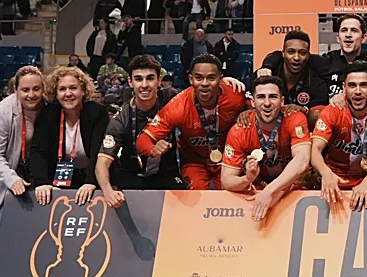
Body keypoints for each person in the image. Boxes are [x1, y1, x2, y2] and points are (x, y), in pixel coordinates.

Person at [136, 54, 247, 190]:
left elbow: (260, 108)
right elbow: (143, 139)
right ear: (191, 79)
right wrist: (152, 150)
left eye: (211, 78)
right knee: (195, 194)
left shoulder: (235, 95)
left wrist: (248, 111)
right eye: (199, 78)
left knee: (231, 194)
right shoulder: (178, 107)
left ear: (220, 79)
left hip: (228, 161)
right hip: (194, 162)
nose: (205, 83)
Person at [220, 76, 313, 224]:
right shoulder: (239, 130)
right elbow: (226, 180)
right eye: (261, 97)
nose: (267, 103)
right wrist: (247, 178)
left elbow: (302, 160)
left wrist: (270, 192)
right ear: (253, 102)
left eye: (273, 97)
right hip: (258, 187)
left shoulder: (295, 118)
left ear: (282, 101)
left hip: (291, 186)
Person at [311, 60, 367, 211]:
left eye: (363, 85)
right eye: (352, 85)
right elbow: (314, 149)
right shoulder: (333, 111)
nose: (358, 91)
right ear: (344, 88)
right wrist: (326, 173)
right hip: (335, 179)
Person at [96, 56, 182, 205]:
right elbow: (102, 162)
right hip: (131, 175)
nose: (144, 85)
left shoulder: (172, 99)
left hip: (166, 174)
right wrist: (107, 191)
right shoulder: (122, 118)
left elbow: (201, 92)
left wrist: (226, 82)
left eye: (150, 78)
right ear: (130, 82)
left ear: (159, 80)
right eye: (138, 79)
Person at [29, 66, 109, 205]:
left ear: (83, 90)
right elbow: (38, 150)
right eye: (62, 89)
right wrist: (41, 182)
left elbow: (99, 151)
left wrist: (91, 182)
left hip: (91, 177)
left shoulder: (97, 112)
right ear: (56, 93)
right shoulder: (49, 113)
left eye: (73, 88)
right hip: (58, 177)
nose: (68, 93)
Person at [0, 66, 45, 211]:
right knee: (11, 231)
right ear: (16, 90)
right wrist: (11, 179)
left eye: (36, 89)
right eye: (25, 90)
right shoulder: (4, 111)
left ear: (43, 89)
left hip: (37, 177)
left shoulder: (50, 106)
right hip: (6, 178)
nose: (31, 95)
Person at [258, 29, 330, 117]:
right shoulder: (265, 75)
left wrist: (304, 110)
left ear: (308, 56)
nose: (296, 57)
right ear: (283, 53)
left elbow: (318, 118)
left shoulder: (318, 84)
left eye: (302, 53)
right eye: (291, 52)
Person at [320, 14, 367, 103]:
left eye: (354, 30)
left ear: (363, 38)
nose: (348, 34)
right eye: (344, 30)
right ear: (338, 37)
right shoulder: (324, 62)